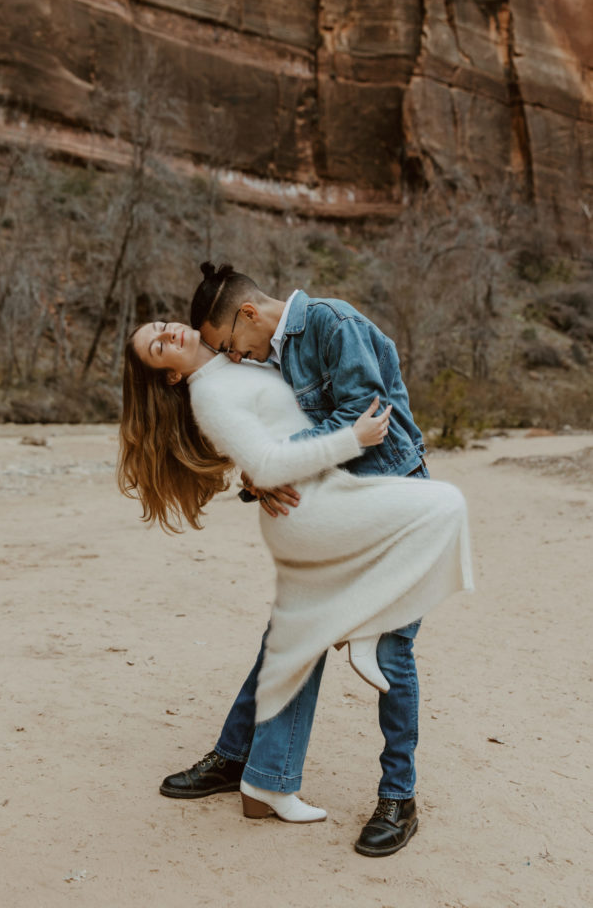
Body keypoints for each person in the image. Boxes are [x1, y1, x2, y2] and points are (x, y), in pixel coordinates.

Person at [119, 281, 473, 851]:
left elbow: (365, 412)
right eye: (161, 341)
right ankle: (237, 759)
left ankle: (398, 797)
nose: (234, 355)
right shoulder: (270, 352)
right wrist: (261, 480)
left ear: (248, 316)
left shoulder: (330, 325)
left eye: (230, 344)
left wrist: (275, 469)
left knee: (391, 651)